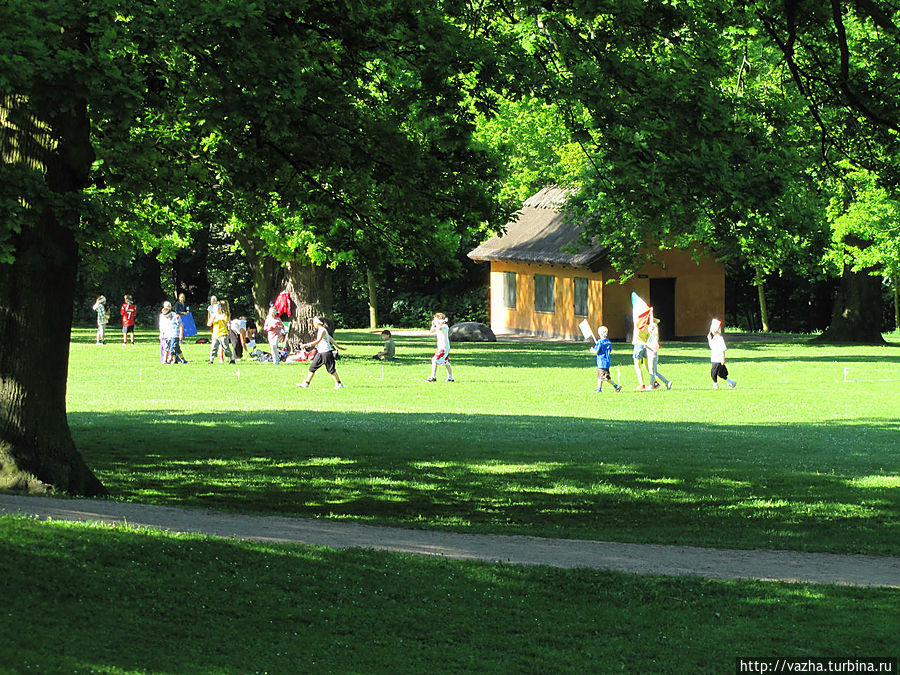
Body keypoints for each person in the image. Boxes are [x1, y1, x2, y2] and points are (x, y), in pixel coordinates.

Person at [297, 316, 346, 389]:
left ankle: (339, 384)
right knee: (312, 368)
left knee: (331, 370)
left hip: (326, 352)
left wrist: (306, 345)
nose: (314, 324)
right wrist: (338, 346)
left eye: (315, 322)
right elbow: (330, 338)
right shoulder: (321, 330)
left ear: (319, 323)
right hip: (320, 352)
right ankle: (306, 383)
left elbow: (318, 341)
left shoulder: (322, 330)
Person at [589, 326, 622, 393]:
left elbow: (596, 351)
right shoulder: (608, 341)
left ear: (599, 333)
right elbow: (610, 350)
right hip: (606, 361)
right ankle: (599, 389)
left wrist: (592, 350)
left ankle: (616, 386)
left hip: (601, 362)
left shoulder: (600, 342)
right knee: (600, 376)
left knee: (606, 377)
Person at [645, 314, 672, 390]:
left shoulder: (652, 338)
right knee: (655, 372)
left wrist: (647, 346)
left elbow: (654, 348)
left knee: (652, 372)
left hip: (652, 356)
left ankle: (651, 386)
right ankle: (667, 382)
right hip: (654, 356)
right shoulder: (654, 337)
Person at [708, 318, 736, 389]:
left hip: (718, 358)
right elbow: (712, 347)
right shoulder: (714, 338)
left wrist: (723, 358)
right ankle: (731, 382)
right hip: (714, 357)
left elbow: (723, 349)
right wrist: (709, 339)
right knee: (721, 374)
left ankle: (715, 384)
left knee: (713, 372)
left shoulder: (720, 338)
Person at [426, 312, 453, 382]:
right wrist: (433, 324)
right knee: (446, 362)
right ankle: (450, 378)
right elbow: (431, 331)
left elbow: (439, 328)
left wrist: (437, 322)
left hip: (444, 348)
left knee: (434, 360)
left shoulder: (445, 327)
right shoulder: (440, 326)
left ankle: (433, 376)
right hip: (442, 348)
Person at [207, 299, 235, 364]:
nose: (218, 309)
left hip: (223, 334)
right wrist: (213, 316)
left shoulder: (224, 315)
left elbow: (225, 323)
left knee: (226, 347)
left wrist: (220, 317)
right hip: (215, 334)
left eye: (218, 308)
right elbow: (208, 324)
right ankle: (211, 360)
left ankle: (232, 359)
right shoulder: (213, 316)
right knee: (213, 347)